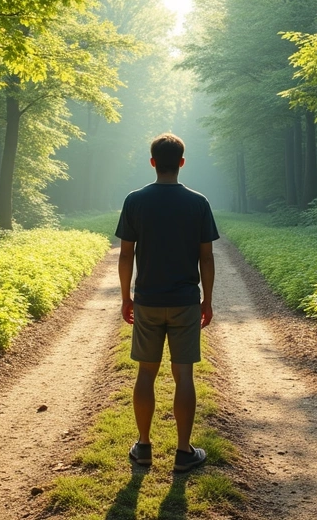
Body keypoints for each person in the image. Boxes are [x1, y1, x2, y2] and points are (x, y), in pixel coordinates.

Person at [115, 132, 219, 473]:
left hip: (147, 299)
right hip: (186, 301)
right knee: (183, 374)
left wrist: (125, 297)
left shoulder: (134, 200)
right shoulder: (198, 202)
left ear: (153, 162)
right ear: (182, 162)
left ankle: (143, 447)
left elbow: (127, 253)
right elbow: (207, 257)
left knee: (146, 372)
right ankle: (184, 452)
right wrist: (208, 300)